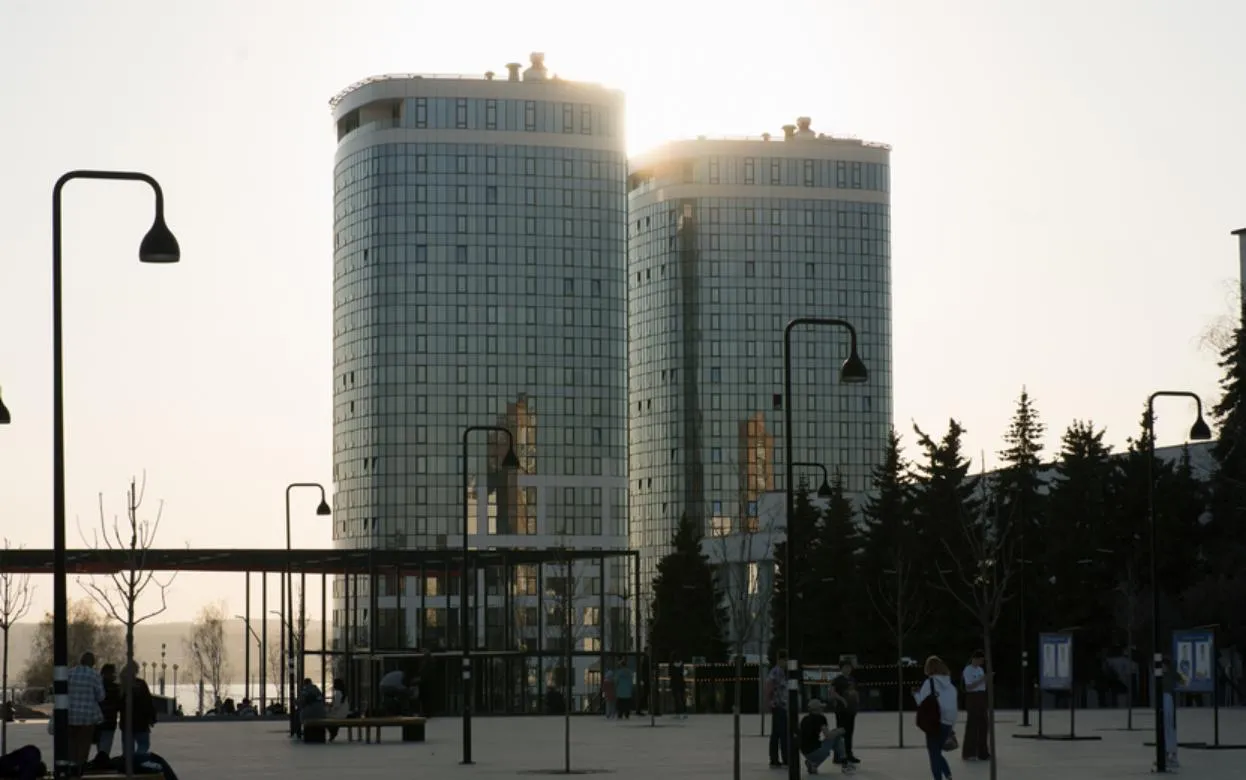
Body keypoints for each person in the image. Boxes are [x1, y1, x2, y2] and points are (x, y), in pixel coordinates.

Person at [913, 656, 958, 780]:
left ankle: (940, 777)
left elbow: (922, 703)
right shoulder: (951, 686)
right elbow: (954, 708)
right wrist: (952, 728)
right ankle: (948, 775)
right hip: (948, 722)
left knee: (933, 754)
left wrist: (916, 694)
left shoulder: (929, 683)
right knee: (936, 752)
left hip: (935, 722)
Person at [66, 651, 105, 768]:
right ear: (92, 663)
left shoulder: (69, 673)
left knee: (71, 742)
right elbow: (101, 696)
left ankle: (71, 764)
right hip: (87, 716)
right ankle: (80, 766)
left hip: (70, 715)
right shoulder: (94, 675)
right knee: (84, 743)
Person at [799, 699, 852, 775]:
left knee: (833, 737)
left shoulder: (804, 719)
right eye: (821, 707)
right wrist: (840, 731)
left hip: (805, 752)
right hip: (816, 751)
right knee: (836, 737)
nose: (822, 709)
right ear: (817, 709)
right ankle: (845, 763)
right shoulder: (820, 718)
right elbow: (828, 735)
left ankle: (813, 764)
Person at [119, 661, 157, 757]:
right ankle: (138, 760)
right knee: (144, 744)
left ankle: (129, 761)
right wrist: (152, 717)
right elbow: (148, 701)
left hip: (126, 722)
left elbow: (118, 704)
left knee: (128, 749)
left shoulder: (121, 685)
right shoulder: (140, 684)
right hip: (141, 721)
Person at [960, 650, 990, 761]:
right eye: (980, 660)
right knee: (972, 725)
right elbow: (969, 687)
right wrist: (982, 679)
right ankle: (969, 752)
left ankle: (982, 752)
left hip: (981, 696)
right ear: (975, 659)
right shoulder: (968, 670)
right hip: (973, 697)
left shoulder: (980, 669)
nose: (982, 662)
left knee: (983, 724)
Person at [91, 663, 121, 766]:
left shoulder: (97, 686)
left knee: (100, 744)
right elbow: (119, 704)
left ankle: (100, 762)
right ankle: (102, 763)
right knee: (105, 745)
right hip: (110, 720)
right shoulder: (116, 688)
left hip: (98, 720)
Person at [831, 661, 859, 764]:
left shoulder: (852, 679)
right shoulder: (837, 680)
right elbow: (832, 692)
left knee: (849, 732)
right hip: (841, 710)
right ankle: (839, 756)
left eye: (849, 667)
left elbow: (854, 692)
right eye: (845, 667)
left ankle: (849, 754)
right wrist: (842, 700)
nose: (848, 669)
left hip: (851, 710)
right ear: (841, 669)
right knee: (841, 733)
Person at [766, 650, 790, 768]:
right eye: (785, 660)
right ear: (781, 660)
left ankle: (775, 759)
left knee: (776, 733)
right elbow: (769, 686)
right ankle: (784, 758)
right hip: (779, 705)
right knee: (782, 733)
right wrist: (770, 701)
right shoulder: (777, 672)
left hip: (780, 705)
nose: (786, 663)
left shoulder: (779, 672)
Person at [325, 678, 354, 742]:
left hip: (339, 714)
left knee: (324, 717)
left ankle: (333, 731)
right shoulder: (344, 692)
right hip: (344, 713)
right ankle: (334, 729)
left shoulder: (338, 693)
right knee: (329, 716)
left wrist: (329, 708)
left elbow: (336, 706)